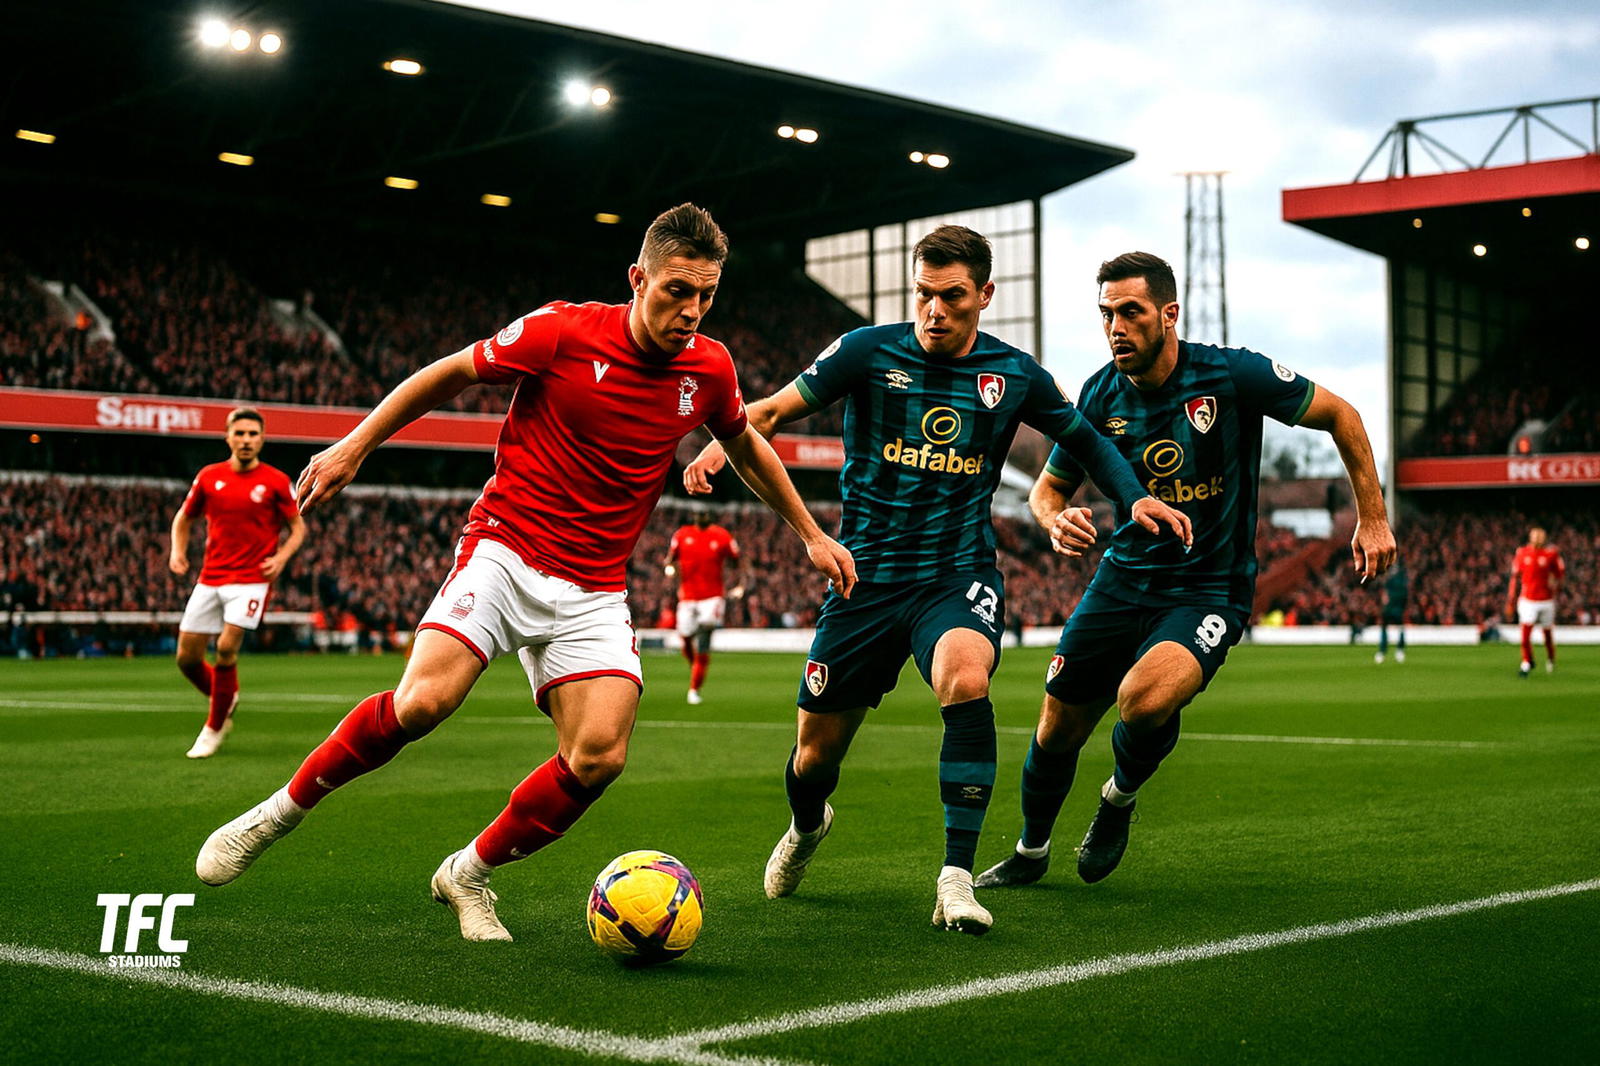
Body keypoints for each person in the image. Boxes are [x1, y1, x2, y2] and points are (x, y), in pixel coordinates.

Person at [194, 204, 855, 942]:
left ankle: (467, 874)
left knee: (599, 756)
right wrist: (357, 445)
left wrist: (809, 532)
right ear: (637, 280)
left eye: (706, 294)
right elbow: (447, 374)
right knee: (422, 705)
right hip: (506, 550)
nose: (692, 310)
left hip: (596, 586)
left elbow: (745, 444)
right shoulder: (563, 331)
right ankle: (277, 814)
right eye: (676, 290)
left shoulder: (710, 367)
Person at [685, 227, 1191, 934]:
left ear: (984, 295)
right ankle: (807, 825)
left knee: (966, 679)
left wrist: (1132, 495)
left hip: (955, 575)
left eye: (952, 297)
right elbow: (765, 412)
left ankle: (955, 878)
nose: (934, 310)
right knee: (814, 757)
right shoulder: (865, 351)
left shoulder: (1012, 373)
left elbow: (1086, 441)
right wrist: (721, 443)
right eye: (922, 294)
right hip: (864, 580)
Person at [976, 251, 1395, 891]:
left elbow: (1343, 415)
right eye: (1106, 314)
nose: (1116, 326)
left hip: (1208, 587)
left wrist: (1372, 516)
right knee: (1056, 724)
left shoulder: (1231, 374)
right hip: (1121, 580)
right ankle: (1031, 852)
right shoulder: (1097, 393)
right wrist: (1053, 518)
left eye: (1131, 312)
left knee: (1141, 700)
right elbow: (1046, 490)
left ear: (1169, 314)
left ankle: (1117, 799)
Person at [169, 407, 305, 759]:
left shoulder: (275, 481)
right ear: (227, 437)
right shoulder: (209, 477)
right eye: (240, 433)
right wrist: (177, 552)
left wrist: (281, 557)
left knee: (226, 648)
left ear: (262, 439)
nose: (246, 440)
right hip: (211, 576)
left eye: (253, 434)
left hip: (252, 580)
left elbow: (298, 528)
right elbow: (183, 519)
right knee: (186, 658)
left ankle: (213, 728)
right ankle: (225, 696)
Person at [666, 510, 742, 704]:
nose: (701, 515)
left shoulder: (722, 536)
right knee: (685, 638)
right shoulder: (681, 535)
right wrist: (670, 569)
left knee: (703, 639)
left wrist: (740, 584)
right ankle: (697, 667)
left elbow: (738, 560)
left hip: (712, 598)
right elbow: (670, 560)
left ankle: (694, 689)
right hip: (687, 597)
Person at [1507, 526, 1563, 677]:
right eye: (1535, 536)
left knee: (1547, 635)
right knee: (1525, 635)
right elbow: (1514, 577)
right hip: (1528, 600)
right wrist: (1511, 598)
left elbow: (1559, 575)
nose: (1538, 539)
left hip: (1546, 600)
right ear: (1530, 537)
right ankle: (1526, 662)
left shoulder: (1551, 554)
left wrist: (1556, 588)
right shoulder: (1522, 553)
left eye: (1541, 536)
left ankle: (1551, 658)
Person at [1375, 560, 1408, 663]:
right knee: (1389, 627)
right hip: (1391, 607)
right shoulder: (1393, 578)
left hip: (1396, 607)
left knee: (1399, 627)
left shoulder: (1399, 578)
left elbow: (1403, 593)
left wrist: (1389, 597)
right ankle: (1389, 650)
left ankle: (1396, 649)